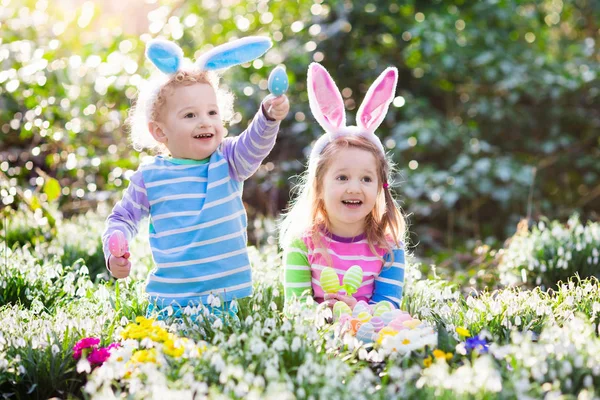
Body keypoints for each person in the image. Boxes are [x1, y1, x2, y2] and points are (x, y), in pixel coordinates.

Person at [101, 37, 290, 319]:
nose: (205, 121)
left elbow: (255, 144)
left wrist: (267, 117)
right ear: (160, 132)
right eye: (190, 115)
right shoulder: (150, 177)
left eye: (212, 112)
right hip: (171, 301)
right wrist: (115, 247)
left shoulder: (227, 159)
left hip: (228, 300)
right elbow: (123, 218)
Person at [280, 63, 405, 311]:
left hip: (368, 339)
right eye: (342, 177)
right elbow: (295, 306)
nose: (354, 188)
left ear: (380, 187)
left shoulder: (389, 248)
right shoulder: (303, 243)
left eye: (366, 179)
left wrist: (354, 311)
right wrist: (323, 315)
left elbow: (388, 308)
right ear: (318, 187)